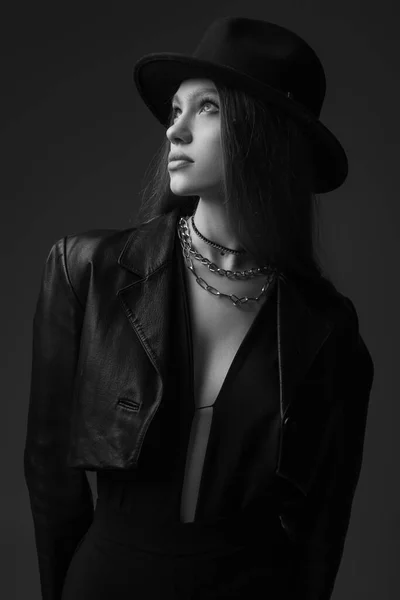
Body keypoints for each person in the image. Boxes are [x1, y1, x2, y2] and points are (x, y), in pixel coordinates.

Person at [23, 16, 375, 600]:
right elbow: (50, 478)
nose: (174, 132)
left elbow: (322, 531)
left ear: (266, 132)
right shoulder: (85, 268)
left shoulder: (326, 328)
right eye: (174, 111)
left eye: (207, 108)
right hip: (106, 584)